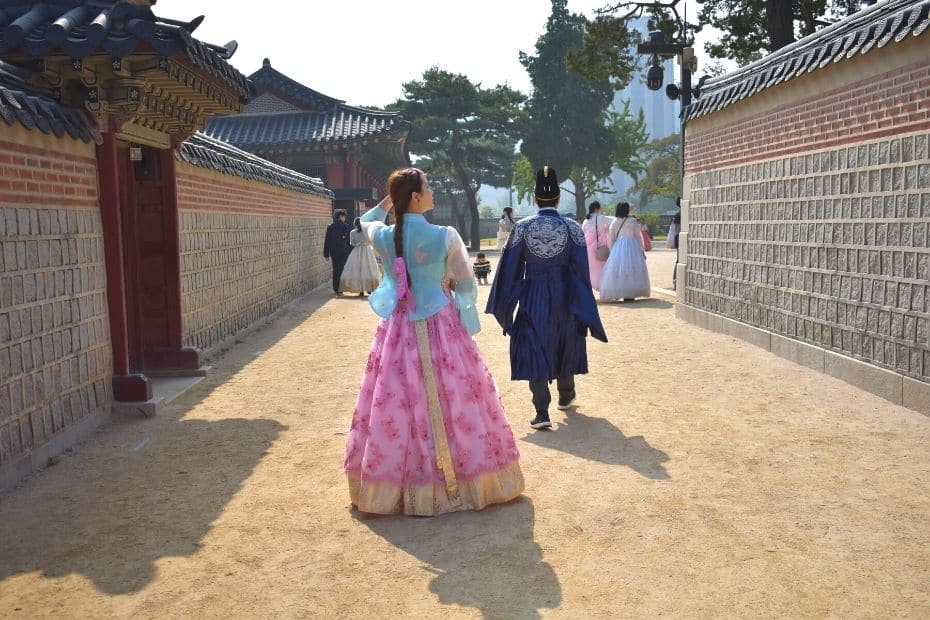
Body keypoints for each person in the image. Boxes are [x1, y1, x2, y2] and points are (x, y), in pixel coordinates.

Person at [344, 167, 524, 516]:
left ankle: (398, 488)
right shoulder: (445, 235)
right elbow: (466, 283)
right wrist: (453, 294)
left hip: (398, 329)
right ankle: (467, 480)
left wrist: (389, 200)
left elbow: (364, 219)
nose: (433, 193)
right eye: (428, 187)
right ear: (415, 196)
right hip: (440, 323)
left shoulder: (383, 235)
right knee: (455, 396)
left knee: (396, 399)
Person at [487, 166, 607, 430]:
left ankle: (541, 411)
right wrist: (583, 304)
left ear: (534, 196)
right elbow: (580, 272)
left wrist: (506, 307)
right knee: (566, 338)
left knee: (534, 344)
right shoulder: (573, 228)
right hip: (565, 294)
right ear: (558, 198)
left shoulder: (522, 228)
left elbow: (509, 271)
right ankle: (566, 394)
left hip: (533, 295)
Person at [599, 202, 651, 302]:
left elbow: (611, 238)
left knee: (619, 270)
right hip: (632, 246)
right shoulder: (632, 221)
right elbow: (638, 236)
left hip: (618, 246)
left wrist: (611, 251)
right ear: (627, 210)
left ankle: (619, 291)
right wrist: (642, 250)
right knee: (631, 269)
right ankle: (630, 293)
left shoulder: (614, 222)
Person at [339, 217, 382, 296]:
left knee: (357, 269)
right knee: (368, 268)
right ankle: (369, 287)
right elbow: (371, 241)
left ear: (355, 224)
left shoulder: (352, 232)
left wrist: (358, 243)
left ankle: (361, 290)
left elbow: (352, 243)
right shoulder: (367, 232)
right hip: (367, 251)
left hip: (357, 251)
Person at [580, 201, 614, 291]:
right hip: (601, 248)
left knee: (591, 269)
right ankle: (603, 286)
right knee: (603, 267)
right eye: (600, 208)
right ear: (596, 209)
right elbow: (615, 220)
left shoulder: (586, 221)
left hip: (589, 249)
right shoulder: (602, 218)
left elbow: (582, 233)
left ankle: (592, 285)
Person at [323, 210, 352, 295]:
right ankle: (341, 288)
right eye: (344, 217)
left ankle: (336, 289)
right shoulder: (346, 226)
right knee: (342, 269)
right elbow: (349, 241)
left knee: (335, 269)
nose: (344, 219)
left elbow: (327, 241)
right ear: (341, 216)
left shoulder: (330, 227)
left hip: (333, 252)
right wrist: (351, 251)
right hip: (344, 251)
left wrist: (326, 254)